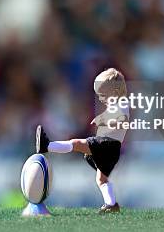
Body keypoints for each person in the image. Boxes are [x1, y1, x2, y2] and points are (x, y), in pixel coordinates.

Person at [36, 68, 129, 213]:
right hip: (110, 148)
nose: (100, 98)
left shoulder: (121, 104)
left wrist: (105, 120)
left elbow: (122, 120)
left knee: (76, 144)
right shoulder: (114, 105)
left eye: (103, 95)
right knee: (101, 180)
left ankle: (47, 146)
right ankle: (111, 204)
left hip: (108, 144)